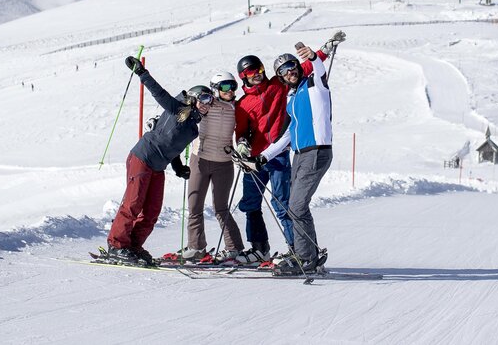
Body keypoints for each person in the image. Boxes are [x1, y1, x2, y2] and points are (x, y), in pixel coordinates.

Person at [232, 32, 344, 264]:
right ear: (244, 77)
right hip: (269, 155)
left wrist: (319, 52)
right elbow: (249, 131)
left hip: (295, 154)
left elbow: (311, 67)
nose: (257, 76)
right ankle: (265, 248)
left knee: (287, 204)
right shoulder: (248, 103)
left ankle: (300, 251)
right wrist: (248, 149)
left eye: (260, 70)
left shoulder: (296, 85)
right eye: (251, 73)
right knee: (256, 204)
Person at [105, 55, 210, 265]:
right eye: (204, 99)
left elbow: (174, 146)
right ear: (192, 98)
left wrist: (179, 167)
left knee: (152, 211)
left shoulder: (192, 129)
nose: (208, 104)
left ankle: (132, 246)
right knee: (133, 204)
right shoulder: (179, 110)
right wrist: (142, 73)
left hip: (158, 166)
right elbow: (159, 94)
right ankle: (116, 246)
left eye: (211, 100)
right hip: (143, 157)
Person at [181, 73, 245, 262]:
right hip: (199, 160)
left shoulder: (238, 107)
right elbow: (181, 110)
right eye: (225, 87)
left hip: (224, 163)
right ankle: (196, 247)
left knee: (221, 207)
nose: (230, 90)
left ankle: (234, 248)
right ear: (216, 88)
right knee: (195, 205)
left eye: (233, 86)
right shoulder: (204, 104)